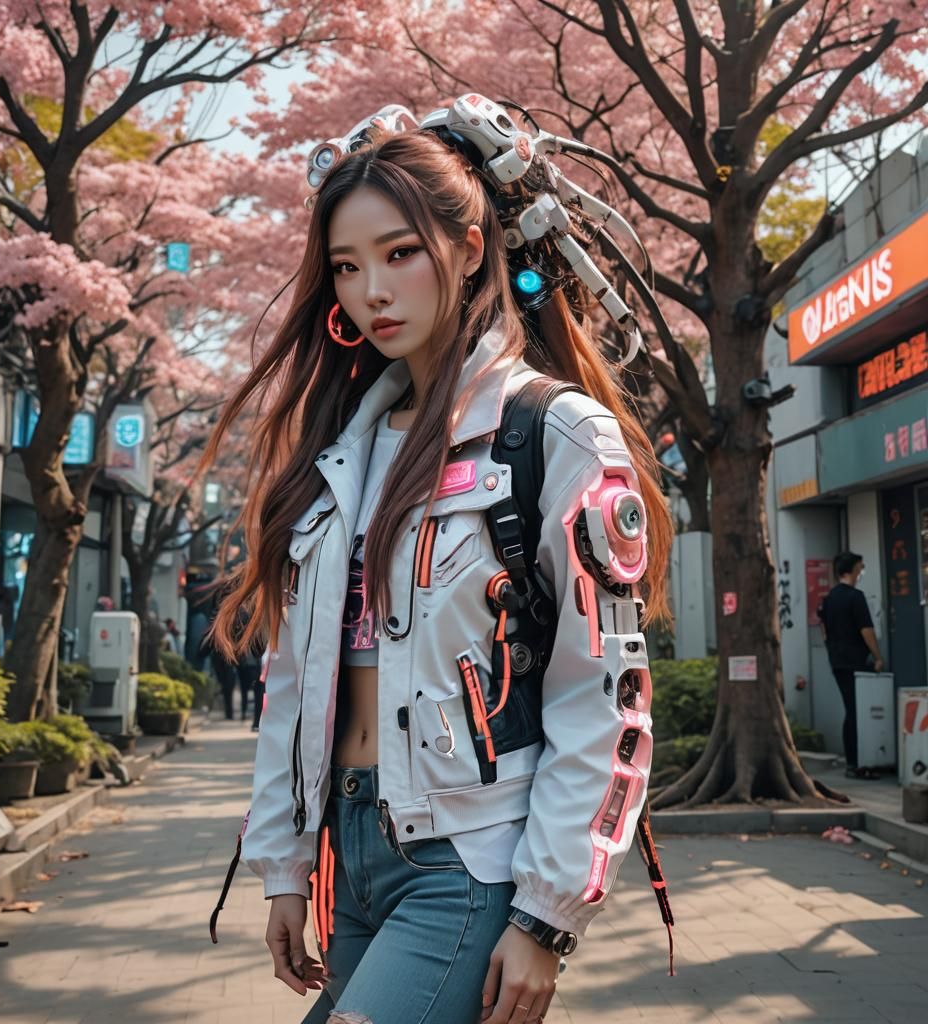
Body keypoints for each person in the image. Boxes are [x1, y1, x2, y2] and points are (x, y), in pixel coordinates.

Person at [201, 127, 672, 1024]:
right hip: (354, 846)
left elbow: (603, 695)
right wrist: (284, 865)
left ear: (467, 247)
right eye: (345, 266)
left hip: (469, 861)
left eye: (399, 253)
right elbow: (297, 681)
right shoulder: (338, 455)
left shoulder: (552, 435)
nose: (371, 290)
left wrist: (547, 917)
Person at [817, 551, 886, 781]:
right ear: (853, 569)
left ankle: (853, 761)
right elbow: (866, 630)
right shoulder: (856, 597)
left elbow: (824, 630)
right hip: (856, 661)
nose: (862, 571)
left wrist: (832, 650)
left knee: (851, 709)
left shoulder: (829, 599)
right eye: (861, 567)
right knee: (858, 711)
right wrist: (877, 657)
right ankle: (858, 763)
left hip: (837, 661)